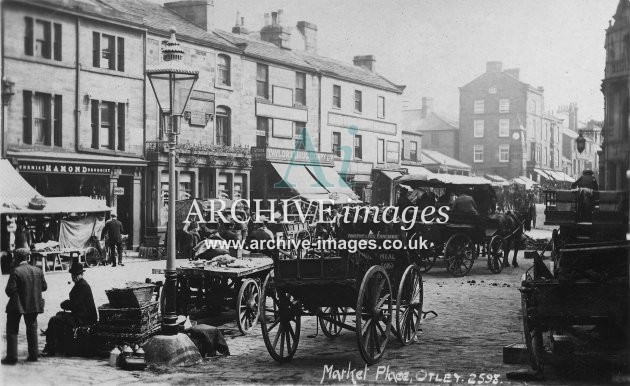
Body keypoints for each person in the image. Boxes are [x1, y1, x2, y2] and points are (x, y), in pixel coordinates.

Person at [42, 262, 97, 357]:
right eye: (73, 275)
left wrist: (65, 304)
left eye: (76, 275)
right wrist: (66, 304)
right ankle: (56, 341)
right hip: (81, 314)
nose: (74, 277)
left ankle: (50, 347)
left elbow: (75, 304)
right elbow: (75, 302)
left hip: (84, 317)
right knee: (58, 314)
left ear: (81, 274)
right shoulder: (79, 284)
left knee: (53, 320)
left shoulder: (83, 286)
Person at [3, 248, 47, 364]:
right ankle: (33, 355)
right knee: (32, 329)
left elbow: (9, 290)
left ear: (17, 258)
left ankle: (12, 357)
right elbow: (44, 287)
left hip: (17, 305)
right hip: (33, 304)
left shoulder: (16, 271)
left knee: (12, 329)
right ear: (28, 258)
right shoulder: (38, 270)